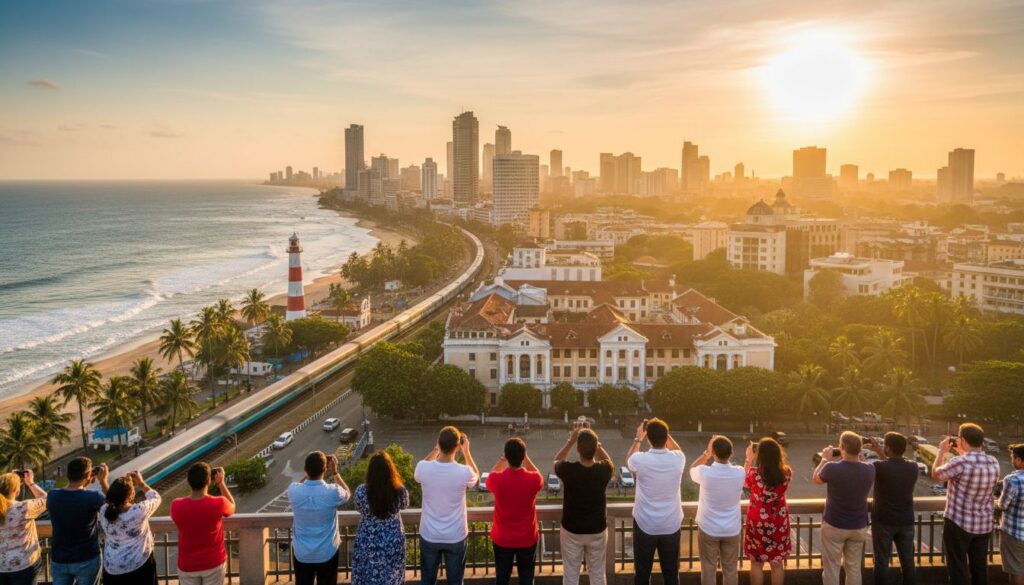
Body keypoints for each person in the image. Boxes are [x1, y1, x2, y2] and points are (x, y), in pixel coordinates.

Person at [932, 423, 1000, 585]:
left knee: (958, 568)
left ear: (961, 440)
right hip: (983, 525)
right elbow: (971, 462)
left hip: (958, 524)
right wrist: (962, 450)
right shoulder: (993, 462)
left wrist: (942, 451)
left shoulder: (959, 462)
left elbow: (936, 474)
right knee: (979, 568)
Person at [414, 426, 479, 585]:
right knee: (456, 581)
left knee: (427, 580)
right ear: (457, 447)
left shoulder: (423, 468)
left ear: (438, 443)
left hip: (429, 534)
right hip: (455, 535)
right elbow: (476, 477)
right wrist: (466, 452)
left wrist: (435, 450)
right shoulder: (464, 472)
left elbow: (420, 469)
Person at [627, 418, 686, 585]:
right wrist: (665, 433)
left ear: (648, 438)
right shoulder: (678, 458)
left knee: (642, 573)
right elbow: (678, 449)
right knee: (671, 574)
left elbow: (629, 459)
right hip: (671, 524)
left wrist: (639, 437)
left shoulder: (640, 459)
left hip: (645, 523)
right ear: (666, 437)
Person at [553, 421, 613, 585]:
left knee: (571, 574)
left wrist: (570, 441)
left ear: (578, 450)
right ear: (595, 448)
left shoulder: (568, 470)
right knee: (598, 575)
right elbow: (608, 460)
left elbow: (556, 461)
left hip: (572, 530)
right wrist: (597, 444)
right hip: (597, 529)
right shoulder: (604, 470)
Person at [813, 431, 875, 585]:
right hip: (859, 526)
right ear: (860, 450)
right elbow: (857, 464)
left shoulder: (832, 468)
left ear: (841, 447)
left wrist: (824, 460)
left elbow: (816, 478)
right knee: (853, 568)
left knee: (831, 568)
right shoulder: (870, 469)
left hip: (834, 525)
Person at [288, 451, 351, 585]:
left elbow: (300, 484)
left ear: (306, 470)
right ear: (325, 469)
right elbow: (347, 493)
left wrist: (309, 473)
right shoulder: (333, 491)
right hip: (327, 552)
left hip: (302, 553)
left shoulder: (293, 490)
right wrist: (335, 472)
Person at [487, 438, 544, 585]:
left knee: (502, 578)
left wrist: (502, 460)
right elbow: (538, 475)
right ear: (523, 456)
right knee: (526, 578)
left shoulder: (497, 480)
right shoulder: (533, 479)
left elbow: (491, 475)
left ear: (506, 456)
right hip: (527, 537)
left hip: (502, 538)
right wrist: (526, 458)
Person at [690, 435, 745, 585]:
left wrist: (706, 454)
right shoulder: (740, 472)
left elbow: (691, 469)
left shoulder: (704, 472)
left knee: (708, 569)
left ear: (713, 452)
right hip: (732, 529)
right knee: (731, 569)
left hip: (709, 528)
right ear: (731, 453)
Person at [865, 433, 919, 585]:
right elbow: (893, 464)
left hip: (883, 521)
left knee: (881, 562)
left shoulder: (879, 467)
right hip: (906, 521)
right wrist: (881, 452)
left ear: (887, 448)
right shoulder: (913, 467)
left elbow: (886, 465)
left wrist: (876, 452)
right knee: (908, 562)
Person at [170, 463, 236, 585]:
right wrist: (221, 483)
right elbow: (232, 506)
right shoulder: (219, 503)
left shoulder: (176, 505)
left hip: (187, 565)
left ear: (189, 482)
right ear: (209, 481)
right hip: (214, 563)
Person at [47, 457, 109, 585]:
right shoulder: (94, 497)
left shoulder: (52, 495)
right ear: (88, 475)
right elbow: (114, 507)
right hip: (87, 558)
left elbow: (69, 494)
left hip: (59, 559)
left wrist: (85, 480)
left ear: (68, 474)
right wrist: (103, 481)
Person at [352, 451, 409, 585]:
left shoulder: (361, 491)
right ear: (390, 470)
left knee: (366, 573)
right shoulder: (399, 491)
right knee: (393, 574)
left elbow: (358, 507)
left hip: (367, 539)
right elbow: (405, 505)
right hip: (392, 539)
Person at [743, 437, 792, 585]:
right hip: (778, 522)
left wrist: (748, 459)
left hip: (757, 522)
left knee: (756, 562)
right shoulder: (786, 473)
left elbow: (744, 480)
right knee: (777, 564)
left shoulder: (754, 474)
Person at [98, 471, 160, 584]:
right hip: (140, 566)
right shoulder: (138, 511)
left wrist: (103, 482)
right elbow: (155, 497)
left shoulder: (103, 511)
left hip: (113, 568)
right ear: (131, 495)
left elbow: (112, 501)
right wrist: (141, 483)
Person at [0, 470, 47, 584]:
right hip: (24, 565)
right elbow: (47, 499)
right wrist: (30, 482)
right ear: (17, 491)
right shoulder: (24, 508)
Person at [999, 443, 1024, 585]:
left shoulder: (1012, 480)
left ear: (1019, 460)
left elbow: (1002, 505)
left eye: (1013, 458)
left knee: (1016, 570)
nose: (1012, 461)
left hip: (1015, 534)